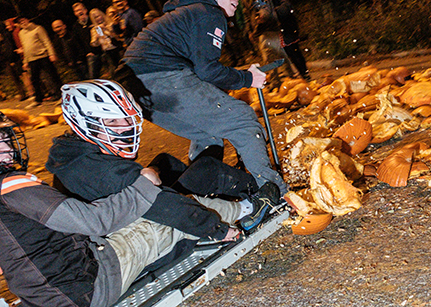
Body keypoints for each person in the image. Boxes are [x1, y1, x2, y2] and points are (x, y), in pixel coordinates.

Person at [0, 104, 241, 307]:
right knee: (159, 215)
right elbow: (95, 221)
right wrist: (143, 185)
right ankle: (245, 209)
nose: (4, 145)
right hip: (87, 289)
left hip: (45, 297)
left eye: (0, 137)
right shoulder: (9, 186)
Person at [121, 0, 288, 210]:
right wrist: (247, 78)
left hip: (135, 87)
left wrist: (242, 74)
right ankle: (273, 193)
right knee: (241, 119)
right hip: (160, 76)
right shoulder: (208, 13)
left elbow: (203, 71)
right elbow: (208, 71)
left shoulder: (191, 12)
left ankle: (201, 197)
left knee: (208, 134)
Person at [46, 79, 280, 233]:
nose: (126, 127)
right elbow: (165, 207)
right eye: (114, 121)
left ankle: (239, 193)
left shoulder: (74, 153)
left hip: (118, 215)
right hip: (131, 231)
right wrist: (216, 229)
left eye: (127, 119)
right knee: (206, 170)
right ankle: (254, 200)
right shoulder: (99, 169)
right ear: (85, 123)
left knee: (165, 162)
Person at [264, 0, 310, 81]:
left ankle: (304, 73)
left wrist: (274, 12)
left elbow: (285, 10)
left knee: (295, 53)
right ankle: (300, 74)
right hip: (282, 32)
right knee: (290, 55)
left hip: (289, 29)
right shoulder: (269, 1)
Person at [16, 16, 63, 107]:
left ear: (27, 19)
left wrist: (51, 54)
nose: (23, 23)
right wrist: (25, 61)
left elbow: (46, 41)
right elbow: (25, 47)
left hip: (43, 56)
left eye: (23, 20)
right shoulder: (21, 33)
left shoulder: (37, 28)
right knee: (35, 80)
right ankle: (38, 99)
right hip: (32, 59)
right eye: (20, 22)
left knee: (53, 76)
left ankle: (62, 95)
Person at [0, 30, 28, 100]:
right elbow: (0, 54)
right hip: (6, 63)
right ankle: (22, 94)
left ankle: (30, 92)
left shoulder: (6, 41)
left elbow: (10, 50)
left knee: (23, 76)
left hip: (14, 60)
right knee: (15, 79)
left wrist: (12, 61)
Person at [71, 2, 102, 79]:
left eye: (81, 9)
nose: (79, 12)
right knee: (93, 78)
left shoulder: (94, 20)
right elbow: (78, 43)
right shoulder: (76, 27)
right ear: (75, 13)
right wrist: (86, 53)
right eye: (77, 11)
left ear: (85, 10)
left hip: (103, 49)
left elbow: (102, 33)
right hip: (91, 54)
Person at [89, 8, 123, 78]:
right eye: (95, 17)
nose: (98, 18)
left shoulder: (110, 23)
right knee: (114, 70)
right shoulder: (95, 29)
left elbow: (116, 34)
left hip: (117, 48)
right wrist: (96, 38)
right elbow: (94, 44)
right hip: (108, 51)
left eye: (98, 16)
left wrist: (106, 29)